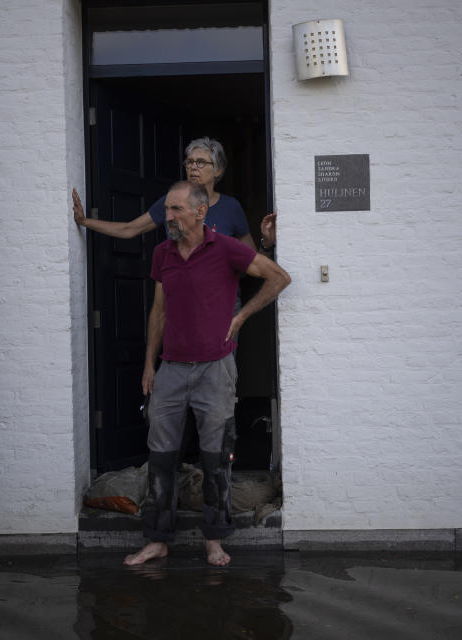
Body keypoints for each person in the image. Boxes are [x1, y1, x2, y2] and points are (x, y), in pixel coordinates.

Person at [124, 181, 290, 567]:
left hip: (215, 368)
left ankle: (214, 540)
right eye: (167, 209)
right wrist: (150, 362)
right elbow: (159, 312)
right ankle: (158, 540)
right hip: (171, 369)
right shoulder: (163, 252)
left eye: (176, 209)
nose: (168, 217)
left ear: (200, 212)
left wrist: (242, 316)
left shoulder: (226, 248)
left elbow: (278, 277)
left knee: (216, 458)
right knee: (161, 456)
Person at [72, 137, 277, 253]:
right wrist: (84, 221)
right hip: (179, 299)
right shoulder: (171, 203)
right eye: (190, 162)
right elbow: (129, 229)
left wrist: (267, 243)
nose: (193, 167)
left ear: (218, 170)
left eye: (201, 162)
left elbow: (251, 261)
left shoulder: (231, 208)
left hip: (222, 303)